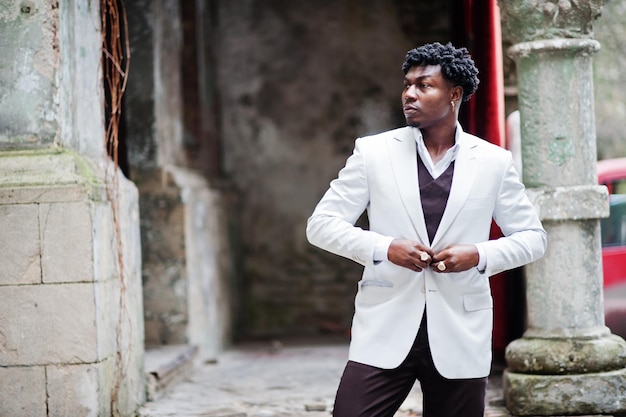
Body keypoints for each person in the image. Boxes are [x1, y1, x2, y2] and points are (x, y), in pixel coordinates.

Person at [306, 42, 547, 417]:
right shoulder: (373, 153)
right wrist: (385, 248)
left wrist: (478, 255)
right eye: (407, 84)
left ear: (454, 95)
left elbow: (533, 239)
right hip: (384, 323)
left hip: (461, 328)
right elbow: (321, 226)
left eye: (423, 85)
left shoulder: (493, 162)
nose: (409, 94)